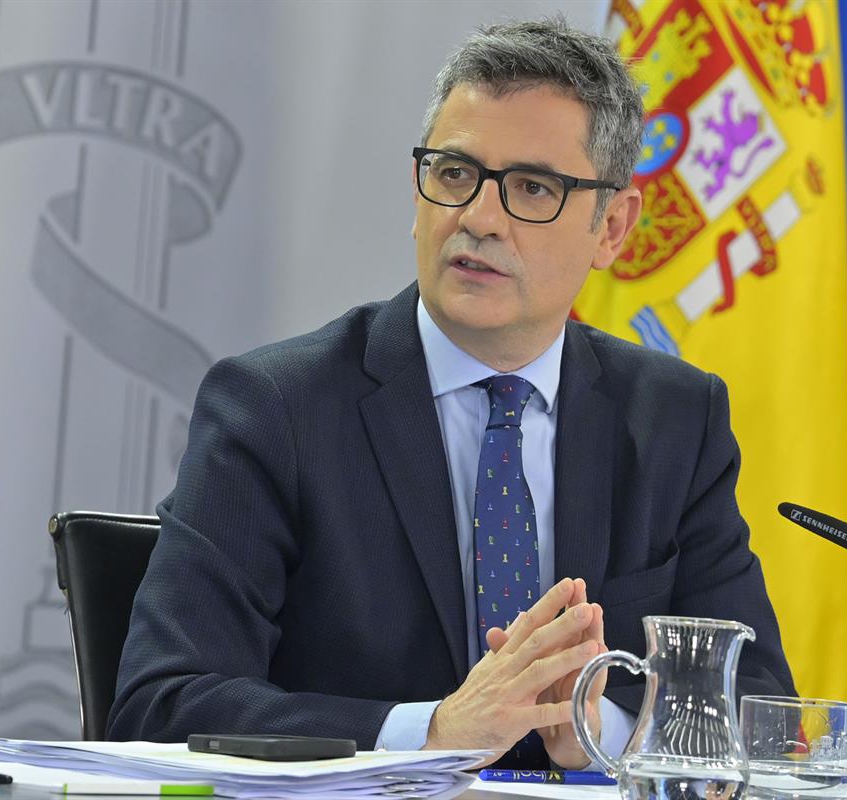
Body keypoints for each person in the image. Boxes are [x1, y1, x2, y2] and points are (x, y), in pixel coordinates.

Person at [108, 18, 796, 769]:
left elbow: (757, 716)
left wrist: (607, 731)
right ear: (419, 190)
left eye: (533, 187)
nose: (479, 217)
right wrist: (432, 732)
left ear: (613, 228)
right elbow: (161, 704)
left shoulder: (674, 420)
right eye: (455, 173)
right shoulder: (276, 407)